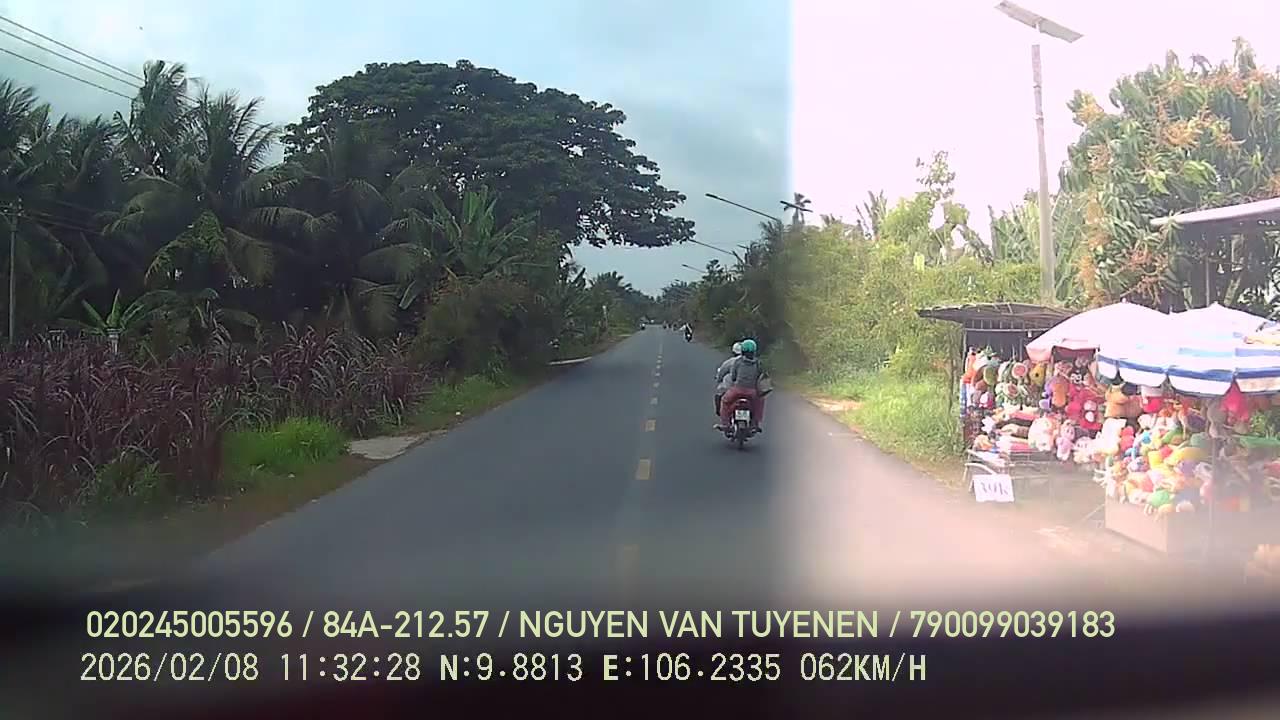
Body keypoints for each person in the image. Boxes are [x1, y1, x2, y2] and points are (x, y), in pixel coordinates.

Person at [716, 338, 766, 432]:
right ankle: (755, 423)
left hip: (737, 390)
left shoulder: (737, 361)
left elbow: (733, 376)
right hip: (752, 392)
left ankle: (725, 424)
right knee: (759, 403)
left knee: (725, 401)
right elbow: (760, 375)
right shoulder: (758, 363)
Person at [714, 342, 743, 416]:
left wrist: (719, 379)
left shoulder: (730, 362)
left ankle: (721, 414)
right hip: (749, 389)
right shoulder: (753, 362)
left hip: (732, 389)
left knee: (720, 395)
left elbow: (722, 372)